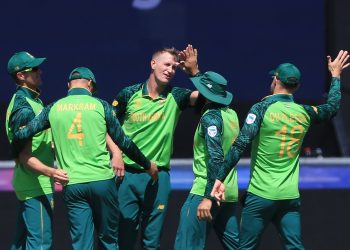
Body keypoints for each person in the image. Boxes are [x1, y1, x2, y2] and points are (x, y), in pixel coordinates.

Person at [210, 50, 350, 249]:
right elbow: (332, 107)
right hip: (289, 197)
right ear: (297, 86)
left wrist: (219, 178)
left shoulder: (261, 108)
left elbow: (240, 144)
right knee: (294, 246)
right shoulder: (305, 112)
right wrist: (335, 76)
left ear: (275, 80)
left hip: (260, 195)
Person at [13, 67, 158, 249]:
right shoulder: (100, 105)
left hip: (73, 183)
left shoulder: (54, 108)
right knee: (109, 241)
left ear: (68, 85)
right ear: (90, 84)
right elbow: (124, 142)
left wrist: (17, 153)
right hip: (103, 182)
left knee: (82, 244)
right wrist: (147, 164)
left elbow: (22, 134)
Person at [111, 45, 199, 249]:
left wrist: (194, 73)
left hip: (159, 177)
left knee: (152, 242)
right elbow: (108, 128)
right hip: (126, 176)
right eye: (166, 64)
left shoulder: (176, 96)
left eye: (174, 68)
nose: (170, 70)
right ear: (153, 64)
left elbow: (211, 97)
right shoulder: (128, 94)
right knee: (124, 240)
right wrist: (115, 153)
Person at [5, 51, 69, 250]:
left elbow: (40, 142)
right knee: (40, 243)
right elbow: (25, 156)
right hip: (35, 185)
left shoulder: (35, 101)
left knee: (21, 243)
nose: (40, 71)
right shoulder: (23, 107)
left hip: (34, 183)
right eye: (33, 69)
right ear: (21, 76)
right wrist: (53, 172)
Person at [174, 71, 240, 250]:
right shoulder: (232, 114)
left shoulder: (210, 117)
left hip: (207, 190)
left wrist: (208, 196)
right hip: (229, 191)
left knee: (187, 246)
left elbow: (216, 157)